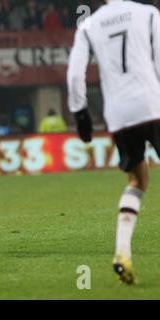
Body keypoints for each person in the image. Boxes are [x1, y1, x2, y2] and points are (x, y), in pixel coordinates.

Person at [67, 0, 160, 284]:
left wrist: (80, 112)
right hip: (153, 105)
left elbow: (74, 73)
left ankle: (122, 252)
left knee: (137, 180)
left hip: (119, 114)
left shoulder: (89, 25)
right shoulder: (148, 14)